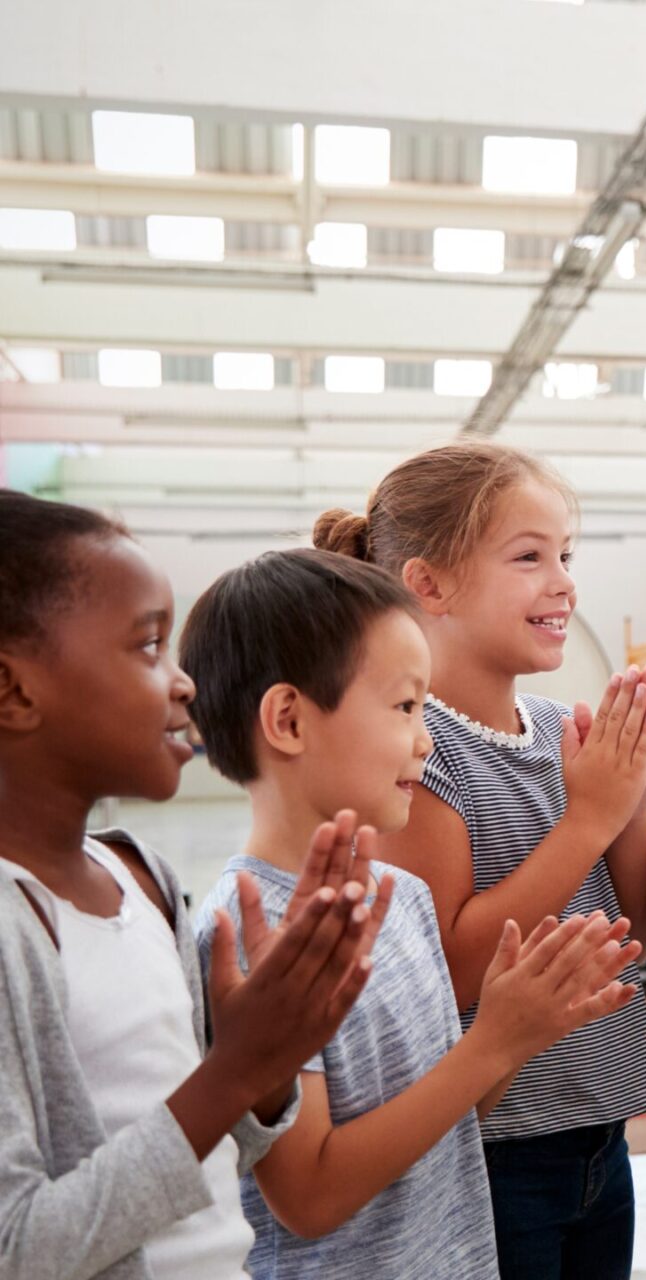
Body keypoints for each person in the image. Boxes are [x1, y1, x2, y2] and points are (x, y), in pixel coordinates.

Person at [181, 548, 642, 1279]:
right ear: (289, 720)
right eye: (404, 707)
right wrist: (492, 1042)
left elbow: (456, 1123)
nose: (425, 739)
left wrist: (519, 1026)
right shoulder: (245, 934)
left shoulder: (407, 902)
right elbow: (310, 1195)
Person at [0, 492, 381, 1279]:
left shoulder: (138, 875)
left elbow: (202, 1159)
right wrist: (233, 1071)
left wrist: (270, 1067)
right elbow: (19, 1247)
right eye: (147, 647)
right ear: (14, 691)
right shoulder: (12, 923)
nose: (183, 685)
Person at [314, 442, 646, 1278]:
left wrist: (630, 799)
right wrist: (588, 819)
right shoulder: (418, 752)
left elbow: (633, 937)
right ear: (428, 584)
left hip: (600, 1134)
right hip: (497, 1150)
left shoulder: (559, 735)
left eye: (565, 557)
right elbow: (453, 966)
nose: (562, 582)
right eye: (528, 558)